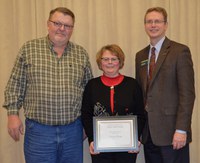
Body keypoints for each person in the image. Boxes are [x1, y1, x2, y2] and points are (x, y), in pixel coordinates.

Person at [3, 7, 93, 163]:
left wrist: (88, 124)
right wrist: (12, 114)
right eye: (57, 23)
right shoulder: (29, 49)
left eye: (68, 25)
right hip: (39, 131)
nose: (62, 29)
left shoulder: (81, 53)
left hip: (73, 130)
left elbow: (89, 92)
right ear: (48, 24)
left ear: (72, 29)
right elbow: (15, 83)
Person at [135, 7, 195, 163]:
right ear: (145, 25)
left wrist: (181, 129)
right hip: (149, 134)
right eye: (149, 21)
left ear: (165, 25)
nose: (153, 25)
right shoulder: (140, 55)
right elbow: (141, 94)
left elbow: (187, 94)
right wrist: (138, 130)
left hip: (172, 133)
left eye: (157, 21)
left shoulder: (179, 51)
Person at [81, 44, 145, 163]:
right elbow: (86, 115)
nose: (110, 62)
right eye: (105, 59)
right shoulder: (92, 86)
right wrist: (92, 140)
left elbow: (141, 114)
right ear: (100, 63)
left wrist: (135, 138)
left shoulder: (132, 85)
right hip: (100, 147)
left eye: (114, 59)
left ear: (120, 62)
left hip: (127, 147)